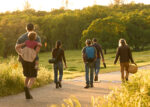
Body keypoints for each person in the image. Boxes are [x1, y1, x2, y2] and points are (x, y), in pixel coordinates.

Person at [15, 23, 41, 99]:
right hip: (33, 59)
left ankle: (26, 88)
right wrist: (33, 55)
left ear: (26, 28)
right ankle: (28, 88)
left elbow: (16, 47)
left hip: (24, 59)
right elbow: (37, 49)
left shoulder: (21, 37)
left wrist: (21, 54)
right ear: (33, 28)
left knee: (27, 75)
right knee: (33, 76)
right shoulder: (37, 37)